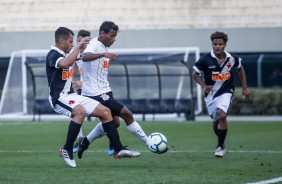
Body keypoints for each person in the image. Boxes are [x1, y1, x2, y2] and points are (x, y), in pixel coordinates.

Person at [46, 27, 140, 168]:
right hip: (59, 98)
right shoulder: (53, 54)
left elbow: (77, 60)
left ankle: (118, 149)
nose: (72, 44)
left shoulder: (66, 54)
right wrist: (78, 47)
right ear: (61, 40)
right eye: (71, 42)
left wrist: (95, 53)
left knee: (106, 112)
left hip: (71, 95)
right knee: (80, 112)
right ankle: (67, 148)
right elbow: (65, 63)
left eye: (74, 42)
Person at [77, 21, 169, 158]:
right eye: (112, 36)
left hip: (104, 91)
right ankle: (148, 143)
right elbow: (85, 57)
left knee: (114, 122)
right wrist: (104, 55)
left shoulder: (102, 46)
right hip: (95, 94)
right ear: (102, 33)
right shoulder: (94, 45)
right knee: (127, 114)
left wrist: (104, 54)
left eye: (115, 36)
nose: (114, 39)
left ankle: (85, 142)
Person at [192, 31, 250, 158]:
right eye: (215, 44)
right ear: (212, 44)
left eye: (220, 44)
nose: (217, 46)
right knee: (215, 121)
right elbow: (195, 74)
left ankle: (220, 147)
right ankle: (222, 141)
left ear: (225, 44)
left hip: (226, 91)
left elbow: (240, 69)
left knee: (222, 116)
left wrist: (244, 87)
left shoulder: (232, 58)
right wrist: (204, 86)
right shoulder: (205, 59)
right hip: (211, 95)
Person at [71, 29, 91, 153]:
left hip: (95, 90)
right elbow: (75, 71)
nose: (81, 44)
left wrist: (83, 83)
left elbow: (98, 77)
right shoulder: (79, 55)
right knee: (75, 113)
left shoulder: (93, 55)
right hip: (83, 90)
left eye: (84, 41)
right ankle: (79, 140)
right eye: (78, 41)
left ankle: (113, 143)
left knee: (109, 117)